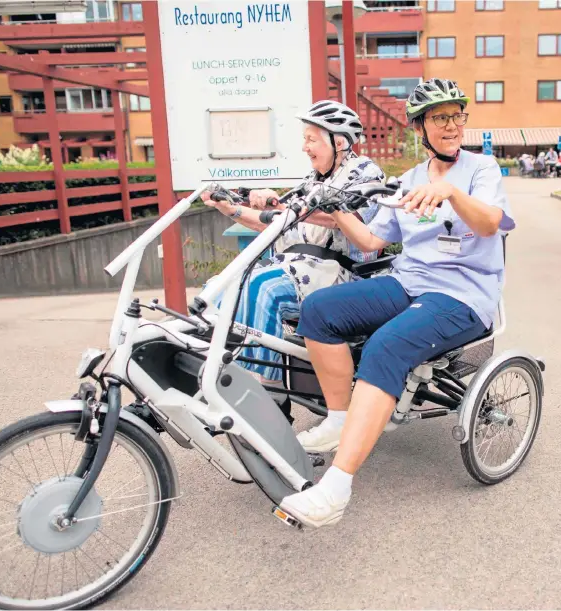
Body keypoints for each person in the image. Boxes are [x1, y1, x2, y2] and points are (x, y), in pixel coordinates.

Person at [278, 78, 515, 528]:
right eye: (439, 117)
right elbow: (370, 243)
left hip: (462, 294)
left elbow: (489, 224)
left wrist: (452, 193)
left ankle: (335, 490)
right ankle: (338, 417)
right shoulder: (407, 180)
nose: (451, 125)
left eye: (457, 115)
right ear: (420, 127)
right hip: (409, 282)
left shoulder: (482, 169)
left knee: (387, 345)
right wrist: (337, 207)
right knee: (319, 310)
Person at [201, 101, 385, 409]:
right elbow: (275, 222)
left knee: (263, 289)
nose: (305, 147)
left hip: (340, 275)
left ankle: (269, 401)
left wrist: (283, 206)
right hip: (297, 268)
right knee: (217, 290)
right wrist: (230, 207)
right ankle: (213, 380)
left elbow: (339, 216)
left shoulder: (365, 174)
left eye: (311, 139)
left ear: (339, 141)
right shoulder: (312, 180)